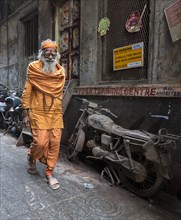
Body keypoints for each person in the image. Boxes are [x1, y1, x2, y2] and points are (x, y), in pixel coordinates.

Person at [21, 39, 65, 190]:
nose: (50, 55)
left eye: (53, 52)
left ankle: (49, 172)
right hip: (38, 111)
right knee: (40, 142)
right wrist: (25, 112)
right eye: (48, 52)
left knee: (55, 143)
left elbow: (59, 93)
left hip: (55, 113)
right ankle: (32, 157)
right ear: (42, 53)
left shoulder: (60, 71)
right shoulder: (33, 68)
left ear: (56, 54)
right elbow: (27, 91)